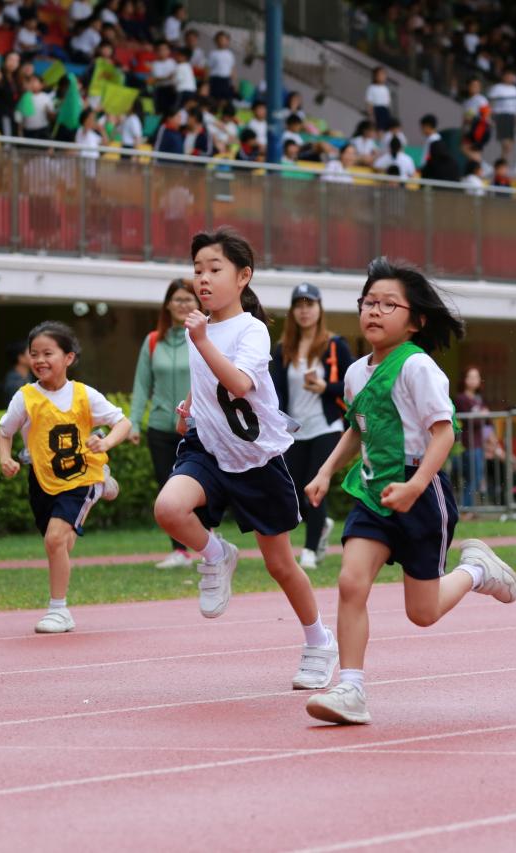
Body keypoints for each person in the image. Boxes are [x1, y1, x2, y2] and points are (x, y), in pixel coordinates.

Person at [302, 258, 516, 725]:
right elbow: (357, 428)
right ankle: (351, 689)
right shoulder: (356, 373)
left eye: (388, 304)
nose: (374, 311)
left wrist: (416, 486)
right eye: (368, 302)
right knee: (350, 582)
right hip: (372, 492)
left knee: (422, 613)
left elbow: (444, 433)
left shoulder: (418, 367)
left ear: (415, 320)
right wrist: (325, 471)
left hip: (420, 492)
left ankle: (476, 571)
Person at [152, 228, 337, 692]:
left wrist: (201, 341)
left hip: (256, 460)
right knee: (169, 509)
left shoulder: (253, 330)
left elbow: (238, 383)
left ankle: (319, 641)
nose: (203, 278)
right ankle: (218, 555)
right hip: (210, 450)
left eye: (214, 269)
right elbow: (208, 382)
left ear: (243, 276)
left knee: (281, 565)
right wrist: (191, 405)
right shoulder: (200, 329)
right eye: (197, 270)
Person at [0, 321, 128, 634]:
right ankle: (103, 484)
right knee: (60, 545)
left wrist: (106, 443)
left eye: (48, 353)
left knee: (54, 540)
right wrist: (6, 458)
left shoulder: (84, 394)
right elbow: (4, 432)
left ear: (68, 357)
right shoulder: (25, 397)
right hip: (42, 479)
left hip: (80, 477)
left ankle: (59, 611)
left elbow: (122, 422)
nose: (39, 360)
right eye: (34, 354)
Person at [269, 282, 353, 571]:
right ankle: (321, 525)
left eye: (310, 304)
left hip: (326, 427)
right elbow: (276, 391)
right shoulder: (283, 348)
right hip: (294, 431)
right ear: (293, 311)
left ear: (319, 309)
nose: (304, 310)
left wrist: (325, 387)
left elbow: (353, 385)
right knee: (291, 490)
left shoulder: (335, 345)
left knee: (314, 487)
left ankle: (309, 550)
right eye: (299, 305)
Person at [130, 279, 199, 569]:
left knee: (198, 485)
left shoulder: (201, 338)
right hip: (159, 427)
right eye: (178, 300)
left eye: (188, 299)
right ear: (168, 305)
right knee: (167, 488)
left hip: (195, 427)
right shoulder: (152, 341)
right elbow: (141, 385)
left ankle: (208, 539)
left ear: (198, 304)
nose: (183, 305)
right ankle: (179, 550)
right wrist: (134, 422)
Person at [454, 366, 489, 513]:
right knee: (472, 478)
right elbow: (470, 421)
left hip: (479, 444)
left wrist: (481, 416)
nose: (474, 380)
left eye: (477, 377)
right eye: (471, 377)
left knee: (476, 477)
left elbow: (487, 420)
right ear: (465, 380)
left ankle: (467, 509)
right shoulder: (461, 399)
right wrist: (481, 415)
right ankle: (465, 509)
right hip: (467, 444)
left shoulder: (478, 399)